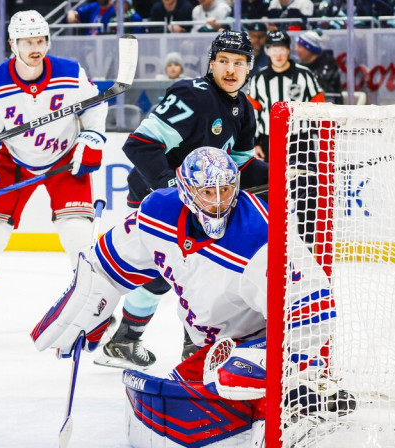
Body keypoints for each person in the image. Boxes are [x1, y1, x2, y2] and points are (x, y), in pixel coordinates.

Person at [31, 147, 342, 447]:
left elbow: (315, 312)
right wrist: (92, 300)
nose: (218, 202)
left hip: (268, 342)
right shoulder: (158, 213)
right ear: (185, 191)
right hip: (213, 347)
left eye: (225, 190)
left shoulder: (261, 236)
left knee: (240, 385)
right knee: (176, 404)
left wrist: (264, 359)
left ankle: (300, 399)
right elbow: (105, 266)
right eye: (207, 192)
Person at [94, 31, 269, 370]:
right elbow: (141, 145)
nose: (230, 70)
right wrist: (174, 191)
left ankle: (127, 341)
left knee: (174, 271)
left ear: (249, 69)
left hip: (198, 200)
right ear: (211, 63)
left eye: (238, 64)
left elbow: (243, 164)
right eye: (223, 62)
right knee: (191, 268)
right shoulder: (193, 96)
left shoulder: (244, 108)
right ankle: (190, 347)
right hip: (157, 195)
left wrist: (283, 175)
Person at [0, 10, 108, 337]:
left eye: (41, 40)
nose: (36, 47)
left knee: (77, 235)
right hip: (12, 160)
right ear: (11, 44)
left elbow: (95, 104)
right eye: (27, 41)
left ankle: (95, 305)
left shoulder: (70, 72)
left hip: (63, 158)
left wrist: (92, 138)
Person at [248, 30, 324, 161]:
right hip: (269, 139)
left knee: (305, 179)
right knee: (271, 181)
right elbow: (252, 115)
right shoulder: (258, 78)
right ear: (267, 51)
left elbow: (320, 107)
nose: (278, 55)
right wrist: (254, 143)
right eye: (274, 49)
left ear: (289, 50)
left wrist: (322, 138)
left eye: (282, 49)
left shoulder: (304, 75)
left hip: (301, 139)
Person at [295, 30, 341, 105]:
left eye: (300, 46)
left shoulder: (328, 64)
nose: (296, 49)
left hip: (329, 109)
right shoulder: (300, 66)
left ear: (309, 48)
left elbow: (320, 88)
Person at [66, 0, 142, 35]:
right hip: (90, 44)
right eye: (116, 4)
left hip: (107, 45)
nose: (118, 6)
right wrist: (71, 13)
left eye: (123, 3)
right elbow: (75, 14)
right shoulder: (94, 6)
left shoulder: (115, 11)